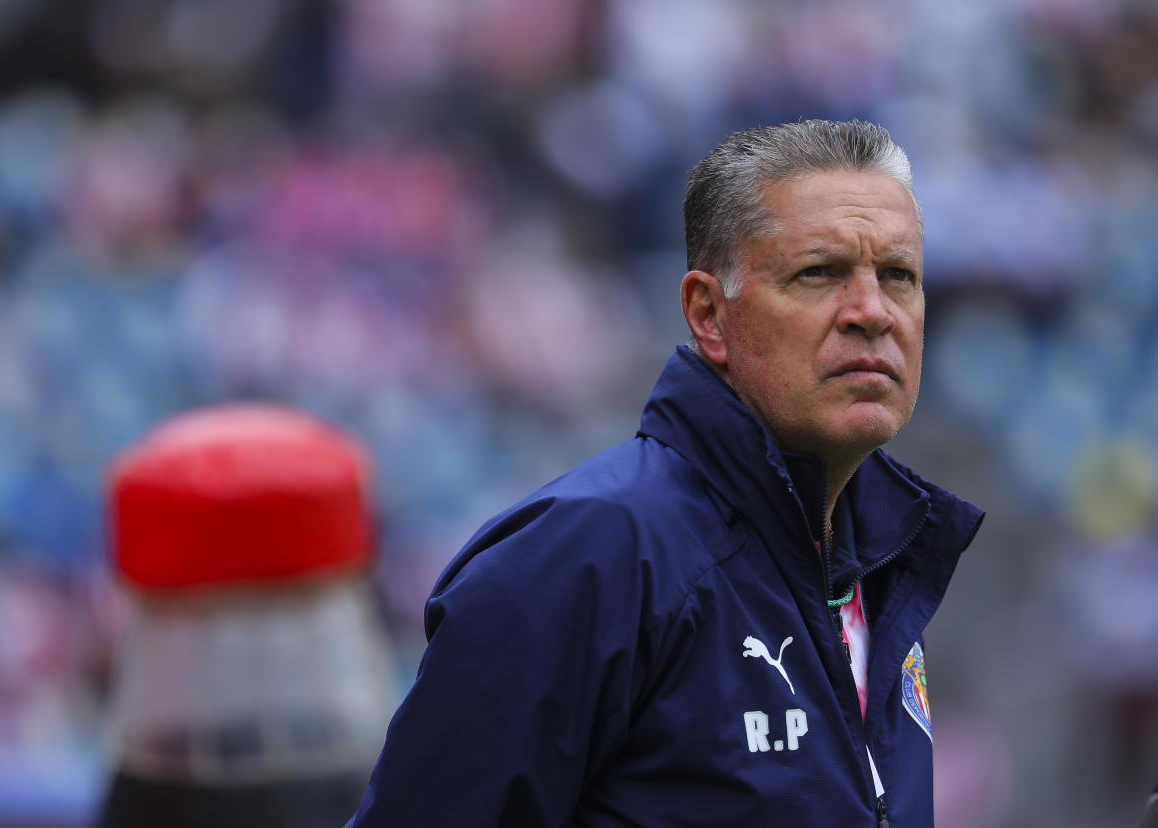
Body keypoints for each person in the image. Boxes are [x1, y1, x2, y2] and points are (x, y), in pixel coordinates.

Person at [345, 119, 984, 827]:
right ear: (709, 315)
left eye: (899, 275)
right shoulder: (590, 555)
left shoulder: (876, 576)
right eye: (819, 274)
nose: (872, 311)